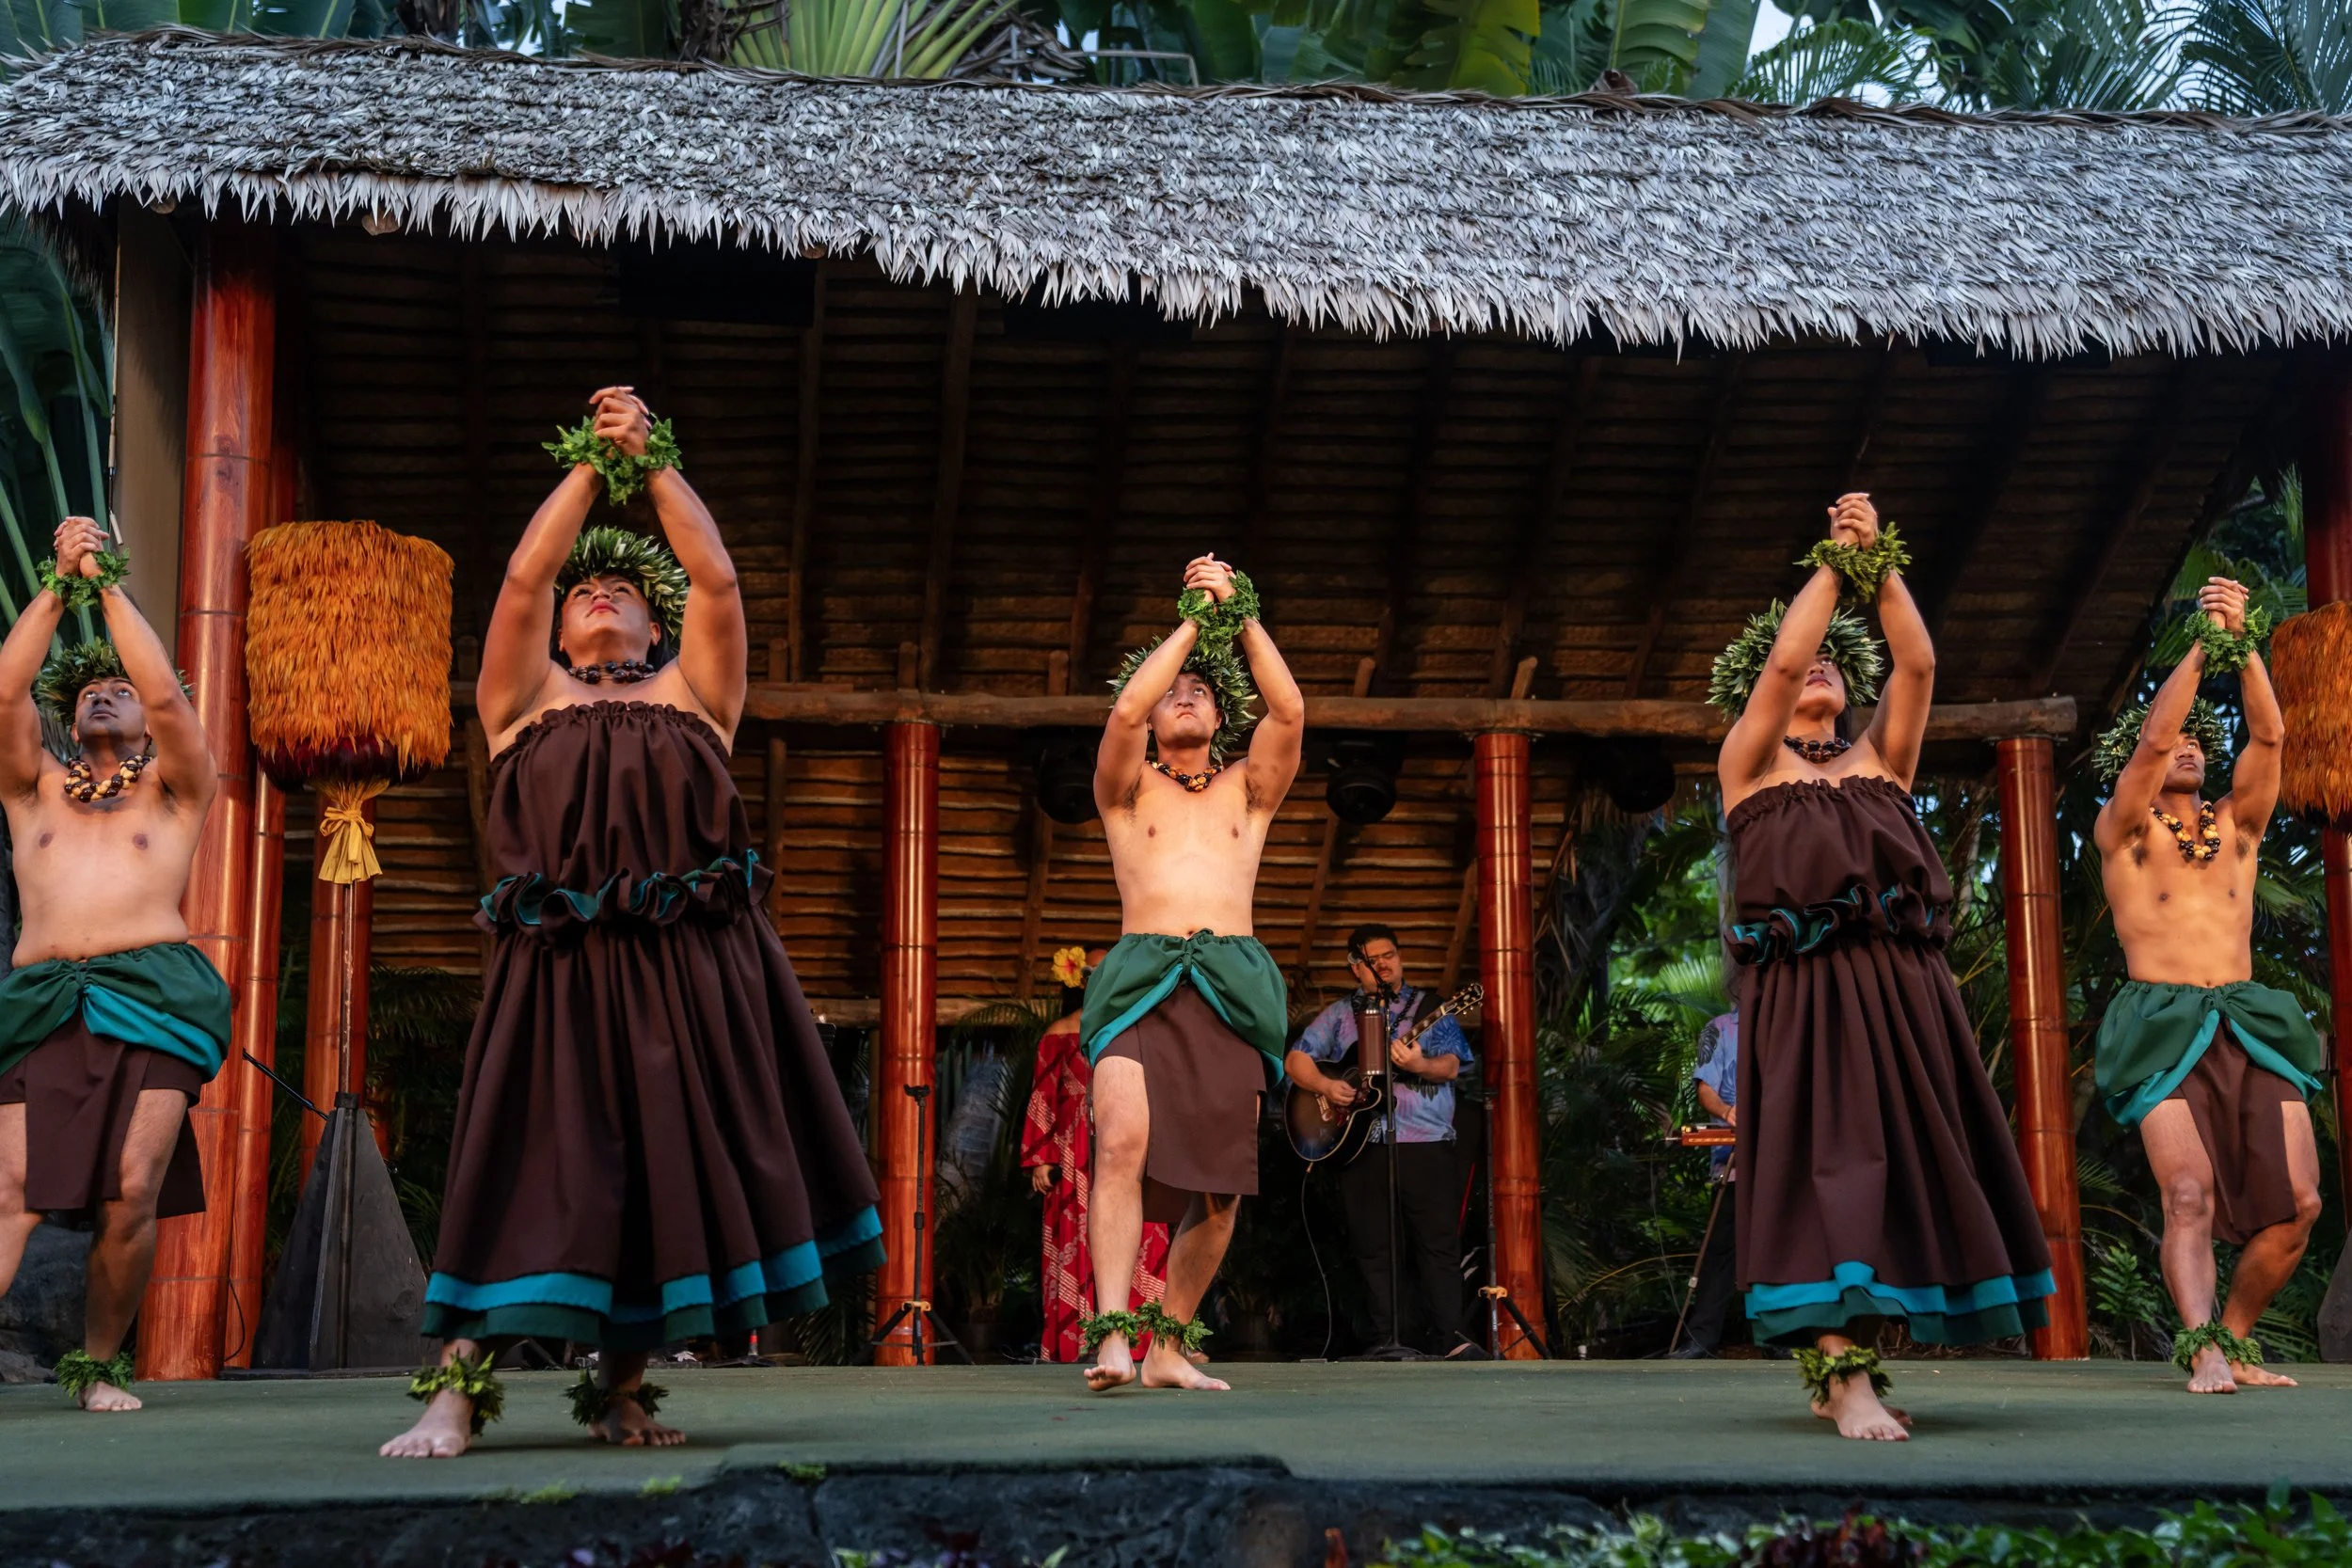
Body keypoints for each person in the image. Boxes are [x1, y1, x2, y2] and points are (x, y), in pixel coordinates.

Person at [383, 388, 882, 1458]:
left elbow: (718, 575)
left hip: (691, 972)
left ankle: (620, 1390)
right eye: (584, 590)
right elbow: (522, 575)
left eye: (622, 589)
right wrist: (586, 465)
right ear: (561, 625)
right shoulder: (521, 703)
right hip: (558, 972)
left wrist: (651, 460)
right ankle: (454, 1393)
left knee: (662, 1169)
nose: (596, 592)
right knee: (523, 1161)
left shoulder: (698, 698)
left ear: (655, 627)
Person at [1712, 492, 2052, 1442]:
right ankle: (1842, 1376)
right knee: (1825, 1166)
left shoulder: (1883, 762)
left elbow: (1919, 660)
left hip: (1903, 996)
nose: (1818, 664)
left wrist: (1878, 565)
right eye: (1804, 661)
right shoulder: (1748, 764)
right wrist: (1832, 560)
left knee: (1895, 1166)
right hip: (1808, 996)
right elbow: (1785, 656)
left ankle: (1847, 1367)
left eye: (1834, 658)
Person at [0, 516, 228, 1413]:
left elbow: (171, 700)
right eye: (90, 689)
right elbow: (5, 689)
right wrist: (60, 584)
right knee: (9, 1191)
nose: (105, 695)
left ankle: (98, 1366)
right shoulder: (33, 789)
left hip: (153, 995)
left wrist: (107, 582)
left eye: (118, 688)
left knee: (131, 1194)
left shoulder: (177, 791)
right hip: (39, 1001)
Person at [2090, 576, 2323, 1395]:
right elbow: (2151, 743)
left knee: (2300, 1205)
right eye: (2177, 736)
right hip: (2162, 1019)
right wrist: (2200, 644)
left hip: (2248, 1017)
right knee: (2186, 1192)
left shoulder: (2238, 826)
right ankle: (2198, 1346)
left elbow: (2272, 734)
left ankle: (2231, 1337)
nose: (2189, 745)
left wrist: (2242, 638)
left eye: (2200, 739)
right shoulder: (2123, 833)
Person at [1077, 555, 1304, 1392]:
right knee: (1122, 1141)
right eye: (1181, 687)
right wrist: (1191, 622)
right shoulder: (1126, 789)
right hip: (1140, 977)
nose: (1185, 696)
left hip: (1230, 984)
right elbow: (1130, 704)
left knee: (1218, 1188)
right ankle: (1110, 1336)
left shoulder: (1250, 790)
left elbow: (1290, 707)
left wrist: (1239, 612)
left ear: (1222, 719)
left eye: (1204, 692)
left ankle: (1168, 1344)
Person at [1286, 923, 1473, 1356]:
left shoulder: (1432, 1007)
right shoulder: (1339, 1015)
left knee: (1436, 1245)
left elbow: (1452, 1066)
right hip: (1363, 1146)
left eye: (1390, 955)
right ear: (1356, 968)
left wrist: (1419, 1064)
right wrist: (1327, 1087)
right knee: (1372, 1247)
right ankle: (1387, 1341)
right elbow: (1297, 1059)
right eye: (1373, 960)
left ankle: (1447, 1341)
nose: (1385, 964)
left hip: (1425, 1144)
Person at [1023, 944, 1171, 1363]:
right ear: (1082, 981)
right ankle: (1079, 1341)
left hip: (1131, 1143)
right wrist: (1042, 1156)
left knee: (1143, 1233)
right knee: (1078, 1238)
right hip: (1074, 1155)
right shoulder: (1058, 1033)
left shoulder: (1140, 1028)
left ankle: (1148, 1340)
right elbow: (1043, 1098)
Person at [1671, 1009, 1740, 1358]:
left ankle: (1781, 1342)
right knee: (1720, 1250)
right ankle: (1701, 1339)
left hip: (1785, 1165)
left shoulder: (1791, 1023)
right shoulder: (1721, 1028)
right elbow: (1705, 1089)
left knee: (1778, 1250)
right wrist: (1729, 1112)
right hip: (1733, 1163)